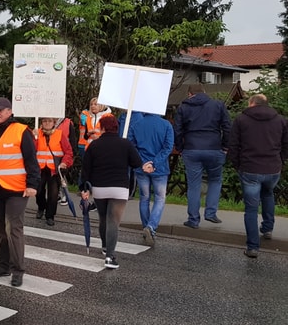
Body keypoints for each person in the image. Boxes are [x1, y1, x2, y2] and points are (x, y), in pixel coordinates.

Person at [0, 98, 40, 287]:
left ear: (10, 112)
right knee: (1, 229)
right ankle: (3, 265)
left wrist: (32, 183)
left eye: (2, 110)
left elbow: (31, 160)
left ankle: (18, 269)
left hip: (17, 189)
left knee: (13, 229)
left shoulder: (21, 131)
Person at [81, 116, 151, 269]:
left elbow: (86, 168)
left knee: (103, 218)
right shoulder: (125, 144)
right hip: (119, 188)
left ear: (102, 128)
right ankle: (109, 256)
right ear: (116, 128)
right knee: (114, 221)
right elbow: (136, 163)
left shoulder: (94, 145)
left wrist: (84, 189)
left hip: (99, 188)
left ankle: (106, 246)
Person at [229, 94, 288, 258]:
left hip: (250, 168)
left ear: (252, 103)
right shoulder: (281, 120)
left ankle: (253, 247)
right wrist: (280, 160)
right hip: (273, 168)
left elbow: (233, 144)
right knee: (268, 194)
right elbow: (286, 144)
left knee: (251, 209)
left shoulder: (241, 120)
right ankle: (268, 228)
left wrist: (237, 164)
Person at [173, 84, 231, 228]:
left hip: (192, 149)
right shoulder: (218, 105)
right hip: (214, 148)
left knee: (194, 185)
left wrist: (180, 148)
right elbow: (227, 127)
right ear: (204, 92)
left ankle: (193, 219)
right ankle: (211, 213)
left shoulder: (183, 108)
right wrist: (225, 146)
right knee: (215, 180)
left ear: (189, 94)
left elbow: (178, 130)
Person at [127, 112, 174, 246]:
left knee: (144, 198)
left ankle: (146, 226)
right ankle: (151, 227)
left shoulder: (136, 124)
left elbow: (132, 146)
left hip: (141, 168)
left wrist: (142, 163)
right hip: (159, 168)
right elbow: (168, 147)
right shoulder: (166, 125)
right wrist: (154, 163)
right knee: (159, 198)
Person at [34, 117, 73, 227]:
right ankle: (41, 207)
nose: (47, 123)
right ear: (41, 123)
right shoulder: (36, 134)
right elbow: (31, 149)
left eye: (49, 121)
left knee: (53, 194)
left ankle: (50, 215)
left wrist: (65, 162)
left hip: (55, 169)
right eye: (45, 121)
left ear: (54, 123)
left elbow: (68, 151)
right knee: (38, 190)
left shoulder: (60, 134)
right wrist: (34, 137)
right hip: (40, 168)